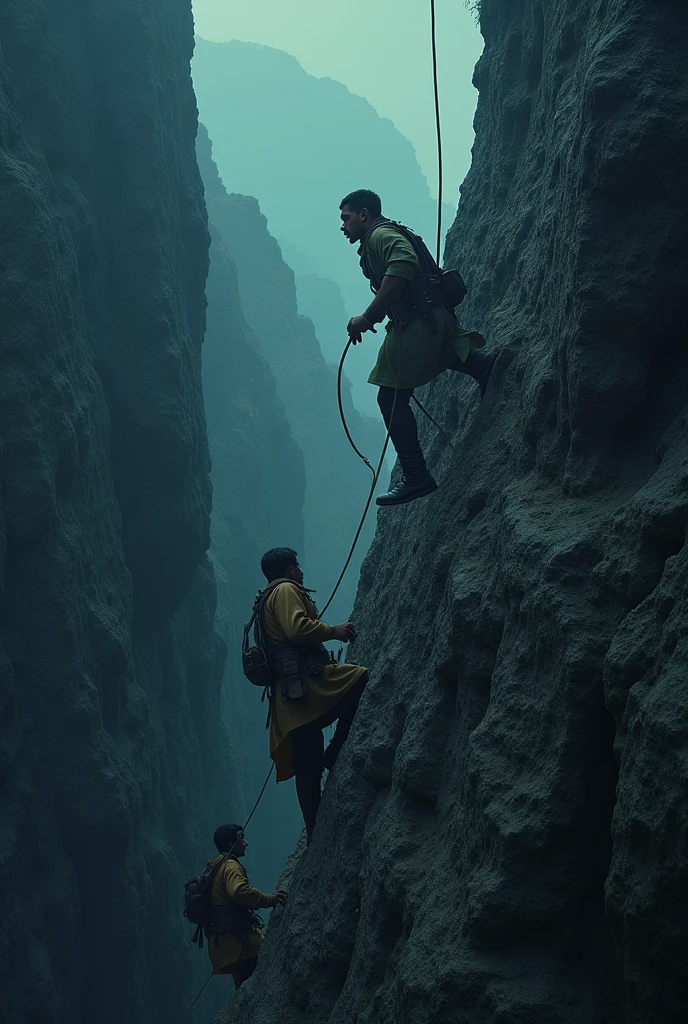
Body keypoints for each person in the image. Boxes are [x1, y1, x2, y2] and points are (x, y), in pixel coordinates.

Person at [340, 188, 495, 506]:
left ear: (364, 214)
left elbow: (403, 263)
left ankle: (416, 475)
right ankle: (482, 365)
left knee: (390, 397)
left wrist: (369, 316)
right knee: (443, 354)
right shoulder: (388, 232)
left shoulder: (381, 234)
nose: (343, 226)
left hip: (419, 321)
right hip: (435, 317)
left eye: (347, 218)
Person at [256, 547, 368, 840]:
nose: (301, 570)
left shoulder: (265, 598)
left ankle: (314, 829)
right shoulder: (285, 590)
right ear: (290, 569)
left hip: (287, 697)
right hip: (305, 686)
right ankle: (334, 753)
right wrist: (334, 631)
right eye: (298, 565)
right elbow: (296, 629)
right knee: (359, 679)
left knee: (306, 766)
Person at [206, 823, 287, 988]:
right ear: (231, 844)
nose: (246, 843)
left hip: (225, 943)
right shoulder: (230, 866)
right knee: (257, 978)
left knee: (243, 982)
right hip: (240, 943)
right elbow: (239, 891)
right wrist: (269, 899)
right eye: (241, 839)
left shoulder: (215, 865)